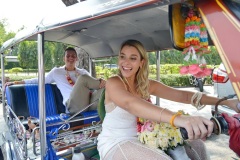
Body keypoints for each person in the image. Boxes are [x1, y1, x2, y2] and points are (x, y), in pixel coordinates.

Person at [97, 39, 240, 160]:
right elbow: (130, 104)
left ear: (141, 62)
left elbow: (184, 96)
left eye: (133, 58)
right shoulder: (114, 82)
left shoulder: (147, 85)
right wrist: (179, 119)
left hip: (146, 139)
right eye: (123, 56)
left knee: (198, 145)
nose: (126, 62)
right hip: (116, 142)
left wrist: (226, 102)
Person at [5, 47, 105, 114]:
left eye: (73, 56)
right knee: (83, 79)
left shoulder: (82, 71)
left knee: (105, 88)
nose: (71, 58)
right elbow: (39, 80)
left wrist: (102, 83)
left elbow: (94, 83)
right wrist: (16, 82)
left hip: (89, 104)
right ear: (64, 58)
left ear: (77, 59)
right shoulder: (57, 72)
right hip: (73, 106)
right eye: (68, 56)